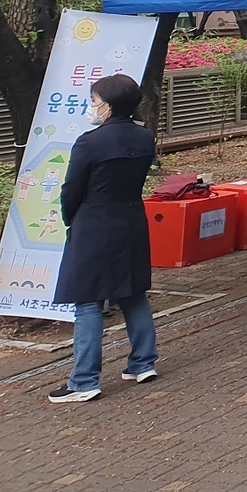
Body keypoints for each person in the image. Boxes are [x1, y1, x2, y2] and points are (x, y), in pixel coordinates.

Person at [48, 75, 159, 403]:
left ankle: (83, 381)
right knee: (133, 292)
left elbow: (72, 190)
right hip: (131, 219)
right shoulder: (145, 138)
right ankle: (143, 363)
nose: (92, 106)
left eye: (94, 101)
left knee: (88, 301)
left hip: (94, 222)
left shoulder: (89, 142)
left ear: (108, 107)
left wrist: (72, 219)